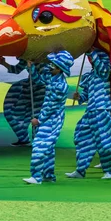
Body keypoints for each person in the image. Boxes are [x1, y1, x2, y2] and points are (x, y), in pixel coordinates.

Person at [23, 51, 73, 185]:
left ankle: (36, 176)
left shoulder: (60, 86)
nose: (50, 67)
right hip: (51, 119)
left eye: (54, 65)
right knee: (48, 148)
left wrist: (39, 120)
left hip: (52, 120)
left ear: (59, 69)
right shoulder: (53, 79)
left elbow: (50, 106)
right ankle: (48, 175)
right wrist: (31, 67)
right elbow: (39, 80)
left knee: (40, 145)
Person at [66, 49, 111, 179]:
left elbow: (103, 69)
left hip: (102, 109)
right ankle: (80, 170)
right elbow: (85, 96)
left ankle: (110, 171)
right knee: (81, 137)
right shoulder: (91, 76)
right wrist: (78, 97)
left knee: (104, 140)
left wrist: (91, 52)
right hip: (90, 110)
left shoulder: (105, 73)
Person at [0, 57, 47, 146]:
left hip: (41, 91)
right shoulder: (26, 57)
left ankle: (38, 141)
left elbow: (41, 81)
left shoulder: (44, 60)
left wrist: (31, 67)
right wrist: (4, 63)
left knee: (36, 116)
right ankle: (23, 138)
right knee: (11, 111)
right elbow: (16, 70)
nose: (16, 57)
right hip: (27, 88)